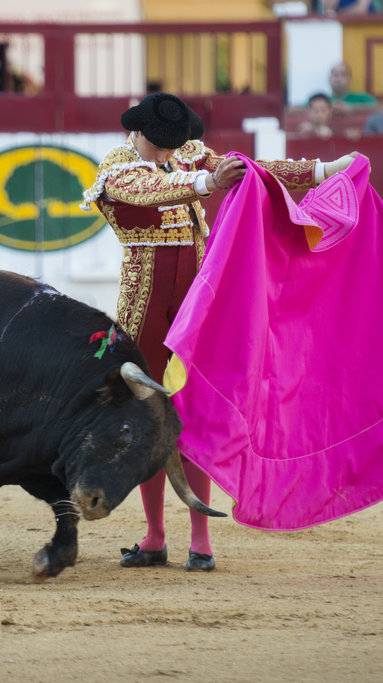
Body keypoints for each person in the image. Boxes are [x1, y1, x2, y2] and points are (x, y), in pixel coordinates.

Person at [80, 93, 354, 572]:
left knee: (195, 413)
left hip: (195, 298)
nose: (169, 153)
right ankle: (154, 536)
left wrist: (323, 171)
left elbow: (256, 169)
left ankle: (201, 541)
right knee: (150, 416)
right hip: (143, 305)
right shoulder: (118, 165)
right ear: (138, 133)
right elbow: (148, 191)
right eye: (161, 145)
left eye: (174, 145)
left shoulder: (185, 152)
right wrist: (208, 181)